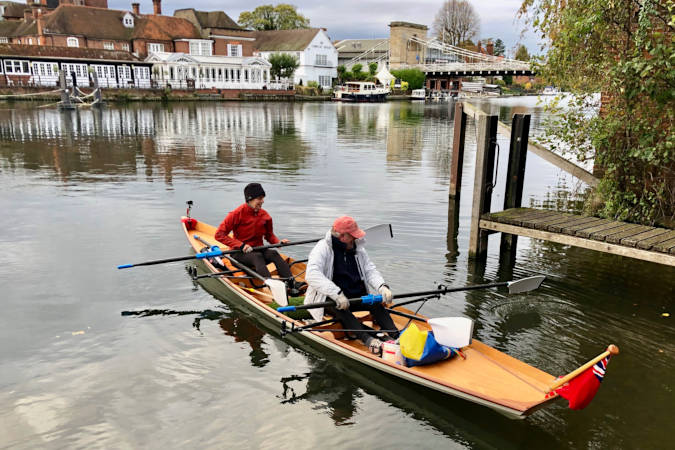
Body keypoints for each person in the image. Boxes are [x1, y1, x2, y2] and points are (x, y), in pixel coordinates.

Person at [304, 215, 398, 355]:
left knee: (376, 302)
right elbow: (311, 274)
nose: (356, 239)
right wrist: (337, 293)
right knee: (339, 308)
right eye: (352, 236)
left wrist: (382, 286)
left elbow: (369, 270)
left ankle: (396, 336)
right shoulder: (322, 248)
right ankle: (368, 340)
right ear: (342, 236)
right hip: (332, 298)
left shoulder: (357, 247)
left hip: (356, 295)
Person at [214, 183, 296, 290]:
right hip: (238, 253)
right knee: (257, 257)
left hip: (258, 249)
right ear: (250, 199)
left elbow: (269, 235)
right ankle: (274, 288)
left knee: (274, 253)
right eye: (259, 198)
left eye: (263, 198)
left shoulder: (265, 216)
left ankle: (291, 283)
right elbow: (219, 235)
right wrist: (241, 245)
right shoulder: (236, 214)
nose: (262, 201)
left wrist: (278, 242)